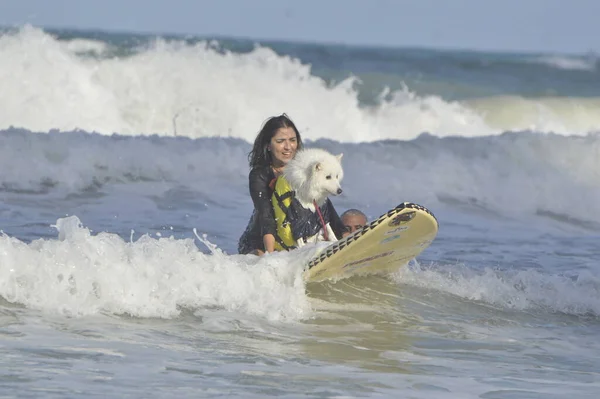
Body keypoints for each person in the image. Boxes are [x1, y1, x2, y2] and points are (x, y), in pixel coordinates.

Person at [238, 114, 303, 255]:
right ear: (268, 145)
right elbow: (266, 215)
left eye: (292, 140)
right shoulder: (259, 175)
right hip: (260, 241)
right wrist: (270, 255)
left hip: (297, 238)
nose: (288, 147)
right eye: (280, 141)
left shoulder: (305, 170)